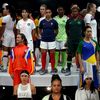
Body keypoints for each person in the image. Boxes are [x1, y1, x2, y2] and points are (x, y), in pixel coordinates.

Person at [65, 4, 85, 75]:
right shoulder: (69, 21)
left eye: (76, 11)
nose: (74, 12)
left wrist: (82, 38)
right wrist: (69, 38)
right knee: (69, 55)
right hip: (71, 41)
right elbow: (67, 30)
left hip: (79, 41)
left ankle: (80, 67)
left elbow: (83, 31)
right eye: (73, 11)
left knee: (80, 54)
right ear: (71, 12)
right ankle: (68, 68)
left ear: (78, 12)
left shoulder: (81, 21)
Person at [39, 8, 58, 75]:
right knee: (43, 55)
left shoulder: (54, 22)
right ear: (45, 13)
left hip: (52, 40)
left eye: (49, 12)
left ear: (51, 13)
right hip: (44, 40)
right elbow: (40, 30)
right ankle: (43, 69)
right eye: (46, 12)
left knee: (52, 55)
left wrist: (52, 36)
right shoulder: (42, 21)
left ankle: (52, 69)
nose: (48, 13)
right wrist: (43, 35)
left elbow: (56, 31)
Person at [0, 4, 16, 72]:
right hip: (12, 35)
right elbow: (14, 29)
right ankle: (12, 67)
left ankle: (4, 67)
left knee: (5, 52)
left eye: (5, 9)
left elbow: (3, 29)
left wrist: (0, 36)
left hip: (6, 34)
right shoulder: (14, 18)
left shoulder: (5, 18)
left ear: (8, 10)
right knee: (12, 52)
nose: (4, 10)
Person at [54, 6, 68, 73]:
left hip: (64, 37)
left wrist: (67, 38)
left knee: (63, 52)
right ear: (57, 11)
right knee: (56, 52)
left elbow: (68, 29)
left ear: (64, 11)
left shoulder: (66, 18)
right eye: (59, 10)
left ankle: (63, 67)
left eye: (61, 10)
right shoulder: (55, 18)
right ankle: (55, 67)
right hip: (56, 38)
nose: (60, 11)